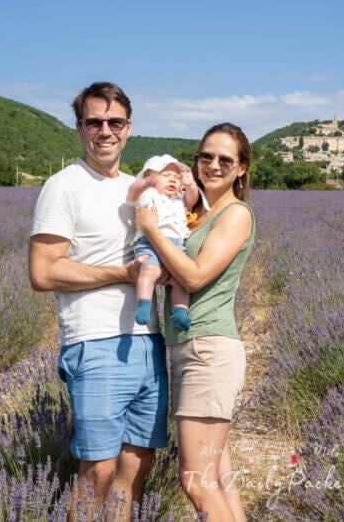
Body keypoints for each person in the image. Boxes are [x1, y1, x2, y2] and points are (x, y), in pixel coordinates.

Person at [28, 82, 168, 521]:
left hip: (148, 341)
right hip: (96, 342)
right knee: (99, 472)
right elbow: (43, 271)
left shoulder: (137, 188)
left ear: (129, 128)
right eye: (94, 122)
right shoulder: (63, 186)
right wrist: (122, 274)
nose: (105, 131)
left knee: (135, 465)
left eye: (115, 122)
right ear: (79, 129)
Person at [135, 122, 255, 522]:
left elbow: (196, 276)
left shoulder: (236, 214)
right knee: (218, 477)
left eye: (225, 160)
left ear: (241, 168)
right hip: (190, 348)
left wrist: (150, 229)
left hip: (209, 351)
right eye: (206, 156)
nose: (214, 165)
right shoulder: (197, 214)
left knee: (195, 480)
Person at [126, 153, 201, 332]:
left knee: (180, 281)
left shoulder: (179, 200)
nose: (173, 180)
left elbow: (193, 199)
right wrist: (146, 183)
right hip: (149, 243)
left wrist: (190, 184)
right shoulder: (149, 195)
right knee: (149, 271)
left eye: (176, 177)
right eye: (166, 175)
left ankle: (180, 312)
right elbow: (132, 195)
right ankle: (144, 305)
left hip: (176, 245)